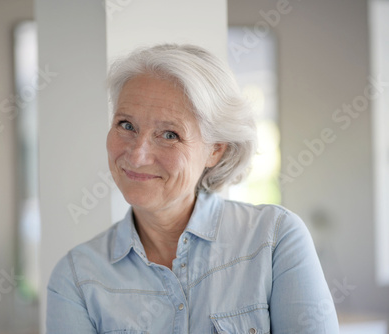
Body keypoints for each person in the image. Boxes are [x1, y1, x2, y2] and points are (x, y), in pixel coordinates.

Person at [46, 44, 339, 333]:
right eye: (126, 125)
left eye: (169, 134)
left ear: (215, 151)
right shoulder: (77, 278)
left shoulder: (274, 240)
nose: (137, 155)